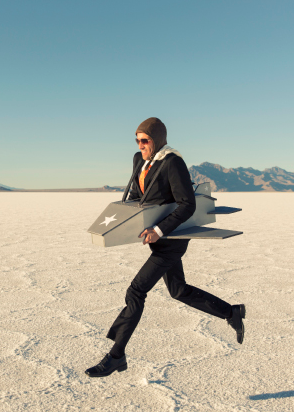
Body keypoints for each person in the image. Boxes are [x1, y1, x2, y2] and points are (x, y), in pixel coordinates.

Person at [85, 117, 245, 378]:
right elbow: (140, 195)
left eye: (145, 140)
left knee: (136, 291)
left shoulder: (173, 163)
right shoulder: (139, 160)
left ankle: (116, 356)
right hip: (157, 239)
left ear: (157, 139)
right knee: (178, 290)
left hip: (172, 240)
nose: (140, 145)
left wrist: (158, 230)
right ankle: (232, 312)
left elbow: (187, 205)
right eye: (137, 140)